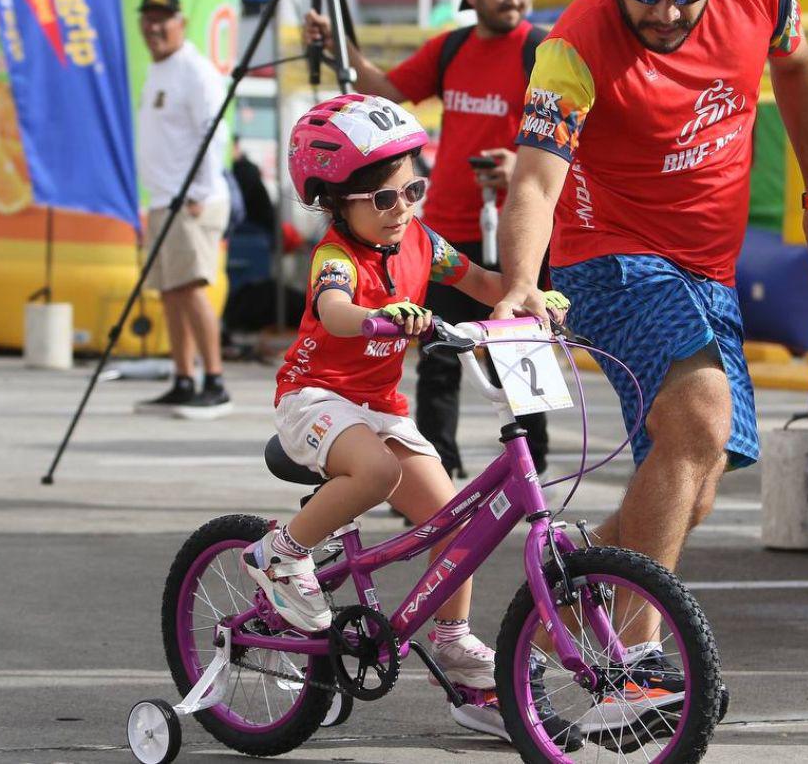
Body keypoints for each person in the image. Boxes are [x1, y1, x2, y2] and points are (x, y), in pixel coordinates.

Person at [494, 0, 808, 731]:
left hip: (708, 270)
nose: (664, 11)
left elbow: (798, 69)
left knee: (691, 483)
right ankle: (633, 669)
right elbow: (536, 182)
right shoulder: (572, 46)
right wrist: (518, 285)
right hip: (610, 258)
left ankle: (539, 633)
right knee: (697, 419)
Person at [245, 93, 571, 742]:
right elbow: (335, 311)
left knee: (454, 523)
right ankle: (279, 554)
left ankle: (454, 644)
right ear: (336, 202)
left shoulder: (422, 241)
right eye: (384, 199)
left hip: (379, 407)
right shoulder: (336, 257)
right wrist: (377, 317)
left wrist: (528, 296)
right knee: (376, 473)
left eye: (413, 191)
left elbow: (481, 282)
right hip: (314, 397)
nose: (403, 209)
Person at [305, 0, 553, 478]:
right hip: (447, 229)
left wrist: (521, 167)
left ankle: (533, 473)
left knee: (520, 355)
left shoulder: (541, 50)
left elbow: (575, 138)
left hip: (519, 230)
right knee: (438, 355)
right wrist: (338, 47)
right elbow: (386, 90)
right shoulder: (451, 48)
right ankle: (436, 474)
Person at [132, 0, 233, 419]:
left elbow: (214, 132)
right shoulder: (159, 70)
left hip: (190, 199)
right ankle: (183, 377)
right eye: (148, 18)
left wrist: (199, 191)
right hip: (164, 199)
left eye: (163, 19)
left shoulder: (194, 70)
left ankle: (215, 381)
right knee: (171, 292)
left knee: (191, 289)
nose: (154, 27)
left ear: (181, 23)